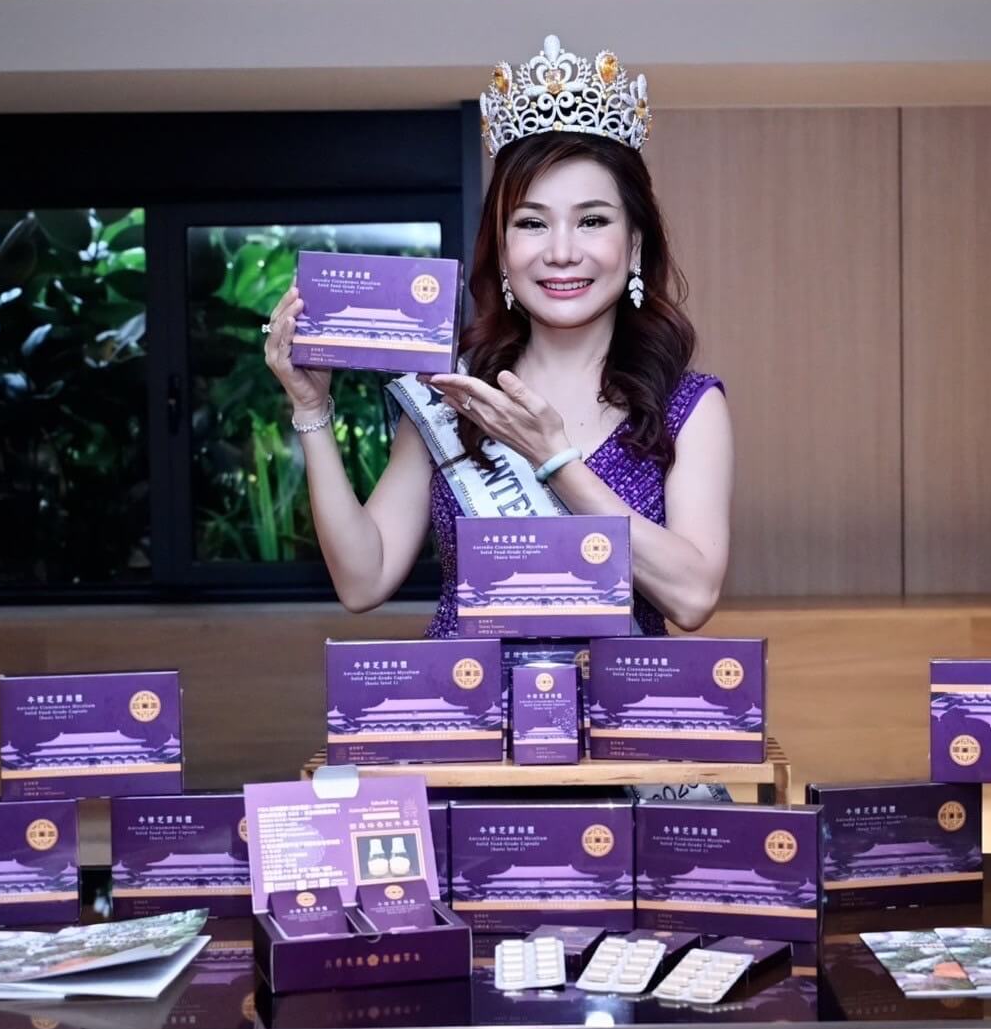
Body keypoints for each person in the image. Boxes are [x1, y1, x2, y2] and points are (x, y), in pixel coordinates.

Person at [263, 34, 733, 637]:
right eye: (532, 223)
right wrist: (312, 411)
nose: (562, 252)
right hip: (465, 695)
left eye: (592, 221)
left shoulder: (686, 405)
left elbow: (693, 598)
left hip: (611, 699)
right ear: (504, 251)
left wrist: (553, 459)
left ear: (635, 245)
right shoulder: (452, 392)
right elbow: (364, 580)